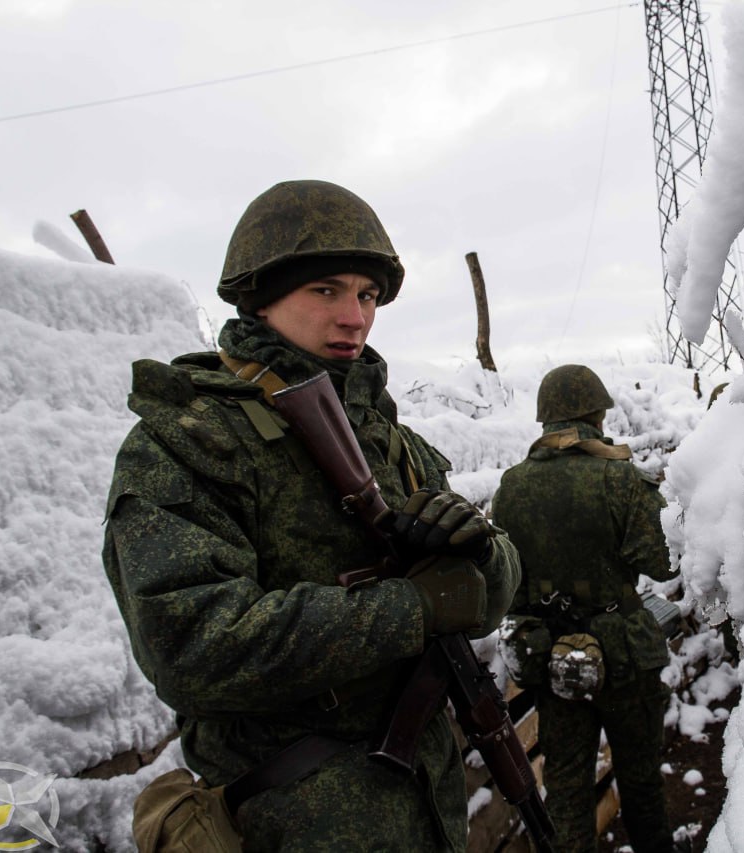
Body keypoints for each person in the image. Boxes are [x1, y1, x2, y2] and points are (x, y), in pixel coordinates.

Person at [102, 179, 520, 851]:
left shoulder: (391, 440)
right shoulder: (189, 439)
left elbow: (491, 590)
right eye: (326, 290)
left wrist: (481, 554)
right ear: (261, 298)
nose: (354, 316)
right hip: (297, 824)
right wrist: (410, 608)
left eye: (368, 294)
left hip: (428, 812)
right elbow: (189, 644)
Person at [491, 364, 680, 853]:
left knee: (568, 793)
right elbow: (661, 564)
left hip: (556, 661)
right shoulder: (620, 478)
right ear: (596, 414)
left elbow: (508, 585)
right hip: (625, 658)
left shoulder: (510, 487)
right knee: (640, 782)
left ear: (545, 418)